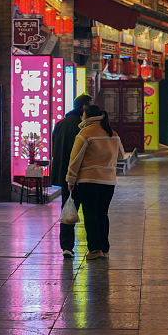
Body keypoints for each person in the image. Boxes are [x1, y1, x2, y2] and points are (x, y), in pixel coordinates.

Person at [66, 105, 125, 260]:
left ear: (86, 116)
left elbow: (75, 159)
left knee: (90, 215)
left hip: (89, 181)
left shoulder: (85, 134)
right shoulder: (113, 133)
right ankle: (105, 249)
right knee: (102, 214)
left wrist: (71, 179)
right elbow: (121, 155)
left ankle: (95, 249)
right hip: (109, 181)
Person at [51, 93, 93, 258]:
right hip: (81, 175)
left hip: (63, 175)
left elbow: (55, 148)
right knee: (89, 211)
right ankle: (93, 247)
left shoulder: (60, 123)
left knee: (67, 209)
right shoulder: (83, 126)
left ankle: (67, 247)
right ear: (84, 107)